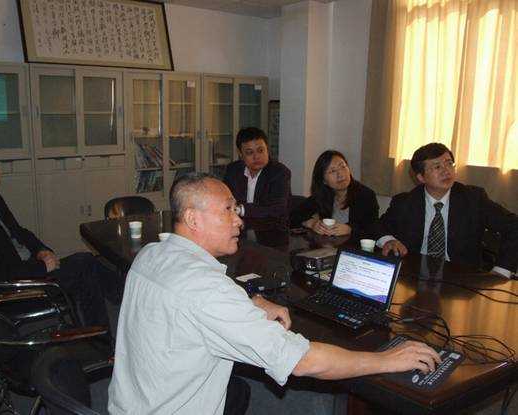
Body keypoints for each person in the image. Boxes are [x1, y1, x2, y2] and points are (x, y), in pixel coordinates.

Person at [108, 172, 440, 414]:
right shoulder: (206, 291)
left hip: (133, 402)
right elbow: (302, 361)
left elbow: (195, 298)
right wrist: (387, 359)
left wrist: (249, 301)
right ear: (193, 219)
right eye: (228, 210)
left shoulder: (153, 253)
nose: (239, 220)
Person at [0, 143, 119, 327]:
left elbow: (19, 232)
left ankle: (101, 328)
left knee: (86, 272)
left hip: (28, 268)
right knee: (85, 264)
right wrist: (42, 267)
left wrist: (41, 250)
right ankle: (124, 300)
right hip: (10, 288)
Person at [376, 142, 518, 277]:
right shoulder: (405, 202)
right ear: (421, 177)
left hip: (462, 277)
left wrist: (502, 270)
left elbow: (513, 225)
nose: (446, 171)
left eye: (449, 164)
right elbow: (377, 226)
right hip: (414, 274)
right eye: (437, 167)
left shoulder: (474, 199)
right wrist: (388, 240)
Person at [290, 150, 379, 241]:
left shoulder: (366, 196)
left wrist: (350, 229)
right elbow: (292, 217)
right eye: (332, 171)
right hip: (326, 247)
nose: (340, 174)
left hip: (353, 248)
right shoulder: (323, 194)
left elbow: (373, 231)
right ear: (323, 180)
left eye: (343, 167)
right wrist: (312, 223)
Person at [223, 127, 291, 227]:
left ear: (267, 149)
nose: (256, 157)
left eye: (260, 150)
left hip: (270, 229)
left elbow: (276, 209)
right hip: (237, 227)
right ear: (240, 154)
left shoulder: (279, 172)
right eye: (250, 152)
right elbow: (224, 199)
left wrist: (241, 209)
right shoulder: (233, 170)